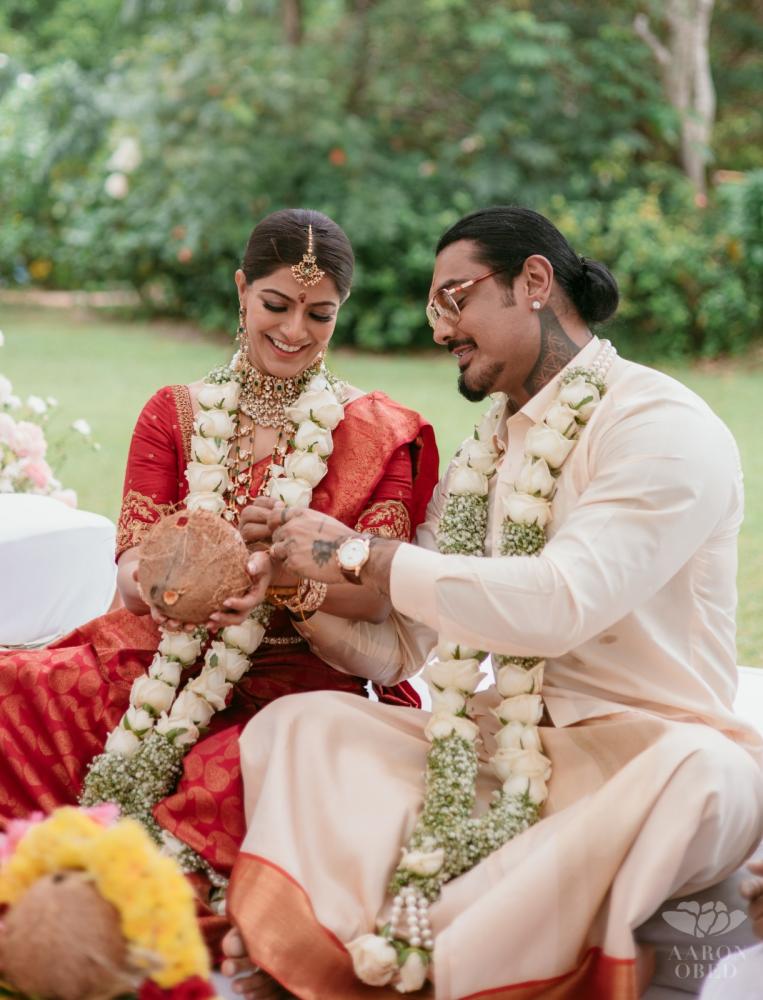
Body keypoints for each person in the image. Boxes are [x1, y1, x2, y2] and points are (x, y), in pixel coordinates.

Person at [220, 206, 763, 999]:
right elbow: (400, 649)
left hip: (645, 752)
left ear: (533, 281)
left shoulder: (659, 424)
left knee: (702, 776)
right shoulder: (486, 452)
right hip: (496, 746)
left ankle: (415, 960)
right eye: (433, 308)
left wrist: (353, 552)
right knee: (304, 724)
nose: (441, 329)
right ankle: (335, 942)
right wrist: (289, 583)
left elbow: (559, 602)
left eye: (455, 298)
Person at [0, 208, 438, 952]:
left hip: (296, 680)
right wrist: (184, 582)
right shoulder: (175, 413)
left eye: (319, 314)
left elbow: (375, 593)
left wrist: (287, 575)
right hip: (156, 656)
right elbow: (131, 570)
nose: (294, 330)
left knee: (225, 787)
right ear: (241, 290)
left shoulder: (378, 433)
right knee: (17, 692)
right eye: (276, 304)